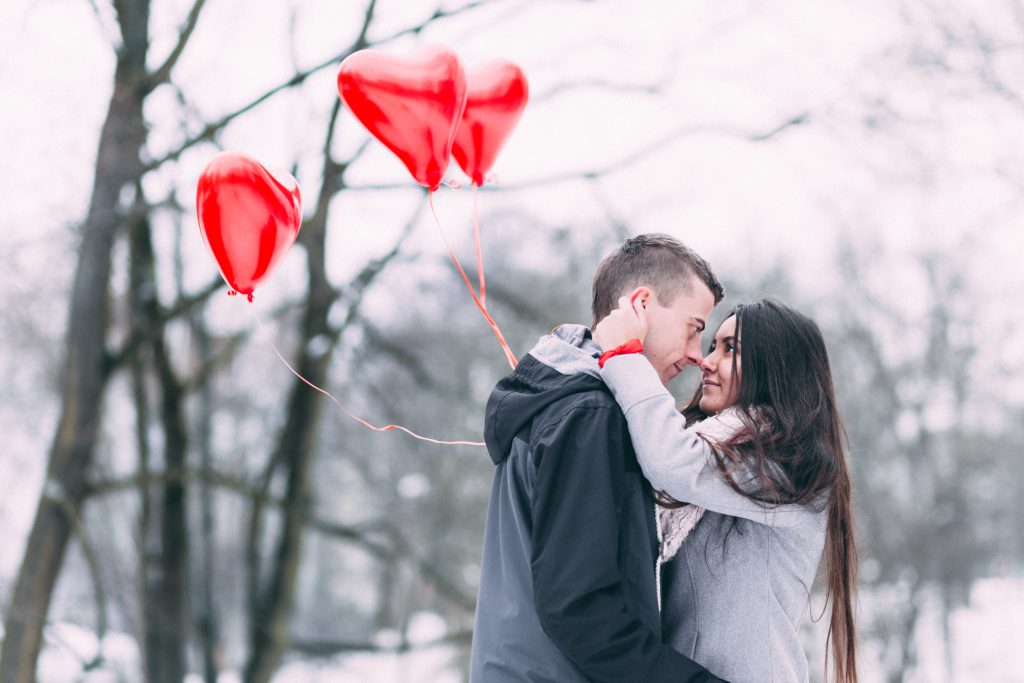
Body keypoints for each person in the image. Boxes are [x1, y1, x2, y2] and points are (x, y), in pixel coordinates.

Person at [469, 234, 730, 682]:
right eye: (694, 328)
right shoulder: (587, 414)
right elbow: (580, 607)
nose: (694, 355)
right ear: (641, 306)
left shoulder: (564, 399)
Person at [593, 297, 858, 683]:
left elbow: (671, 462)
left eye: (730, 349)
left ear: (776, 368)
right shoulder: (715, 450)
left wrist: (624, 356)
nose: (707, 360)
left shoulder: (787, 466)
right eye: (712, 345)